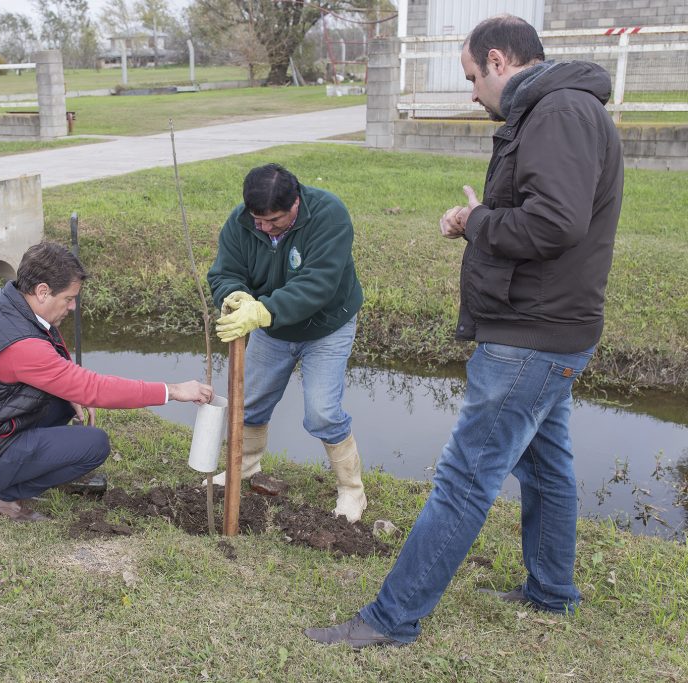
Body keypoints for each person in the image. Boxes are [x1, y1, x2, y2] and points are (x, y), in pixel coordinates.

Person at [304, 14, 624, 648]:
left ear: (501, 61)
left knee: (465, 477)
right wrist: (483, 219)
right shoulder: (557, 109)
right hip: (549, 325)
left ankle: (392, 619)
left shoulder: (557, 113)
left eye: (474, 76)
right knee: (547, 464)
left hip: (533, 333)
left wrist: (478, 222)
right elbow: (547, 213)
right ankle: (551, 590)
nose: (473, 91)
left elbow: (555, 224)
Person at [0, 241, 213, 521]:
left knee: (66, 400)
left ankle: (27, 468)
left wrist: (71, 391)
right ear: (42, 291)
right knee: (94, 445)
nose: (72, 306)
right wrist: (174, 390)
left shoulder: (5, 304)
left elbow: (53, 354)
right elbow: (94, 388)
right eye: (68, 298)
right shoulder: (21, 345)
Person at [207, 163, 367, 522]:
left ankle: (352, 492)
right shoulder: (241, 221)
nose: (264, 228)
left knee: (323, 412)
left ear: (295, 202)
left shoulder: (329, 215)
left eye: (274, 221)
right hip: (272, 327)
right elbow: (226, 270)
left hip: (326, 327)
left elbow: (318, 284)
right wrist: (235, 296)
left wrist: (263, 311)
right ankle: (244, 468)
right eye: (258, 221)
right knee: (248, 402)